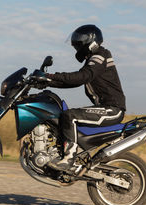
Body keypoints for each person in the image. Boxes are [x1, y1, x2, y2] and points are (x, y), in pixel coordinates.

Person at [43, 24, 126, 171]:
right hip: (105, 107)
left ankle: (68, 159)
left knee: (70, 116)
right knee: (63, 116)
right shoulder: (93, 58)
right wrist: (47, 82)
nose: (77, 47)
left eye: (79, 42)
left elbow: (82, 77)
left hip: (113, 109)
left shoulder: (101, 55)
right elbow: (74, 82)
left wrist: (50, 76)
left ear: (90, 41)